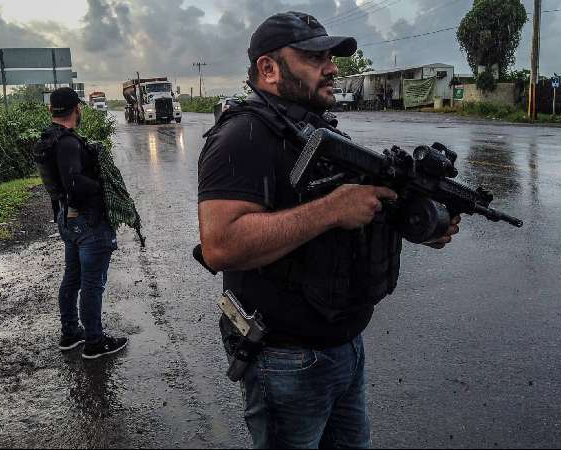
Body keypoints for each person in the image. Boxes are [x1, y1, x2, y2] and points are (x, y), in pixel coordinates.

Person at [196, 12, 460, 448]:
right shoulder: (242, 136)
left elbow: (352, 211)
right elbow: (220, 245)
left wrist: (419, 225)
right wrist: (331, 210)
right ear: (268, 68)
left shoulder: (310, 128)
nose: (332, 67)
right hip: (286, 359)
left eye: (331, 57)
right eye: (315, 57)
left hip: (344, 346)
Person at [34, 87, 128, 360]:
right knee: (91, 283)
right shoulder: (68, 143)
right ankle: (95, 342)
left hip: (67, 219)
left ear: (51, 110)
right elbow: (74, 183)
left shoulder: (50, 139)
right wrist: (103, 186)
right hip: (87, 221)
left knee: (72, 277)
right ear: (77, 109)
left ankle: (70, 333)